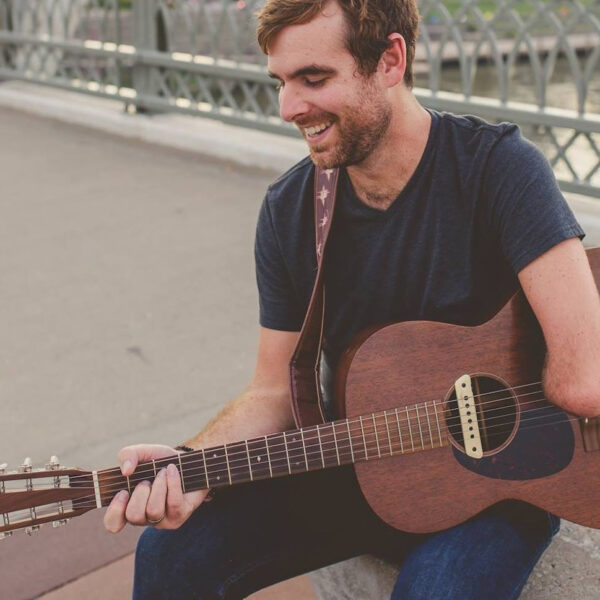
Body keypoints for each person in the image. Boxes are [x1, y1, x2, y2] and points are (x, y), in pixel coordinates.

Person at [103, 1, 600, 598]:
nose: (289, 108)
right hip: (360, 468)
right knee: (169, 554)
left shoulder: (499, 169)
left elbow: (584, 380)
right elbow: (272, 392)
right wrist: (193, 461)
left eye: (314, 78)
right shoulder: (290, 211)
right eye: (282, 82)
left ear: (390, 60)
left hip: (502, 481)